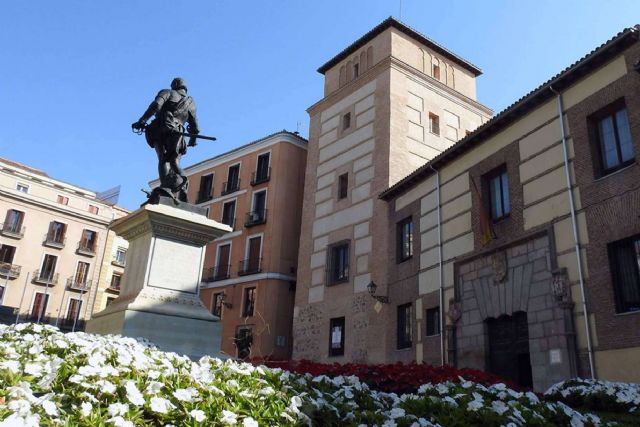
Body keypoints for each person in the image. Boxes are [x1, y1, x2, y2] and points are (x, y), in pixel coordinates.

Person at [132, 77, 199, 202]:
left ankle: (165, 189)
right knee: (175, 161)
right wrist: (192, 140)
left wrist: (142, 120)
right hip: (178, 132)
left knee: (163, 159)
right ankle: (183, 185)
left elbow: (156, 105)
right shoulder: (191, 103)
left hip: (161, 129)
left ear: (174, 85)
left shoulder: (167, 92)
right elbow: (195, 127)